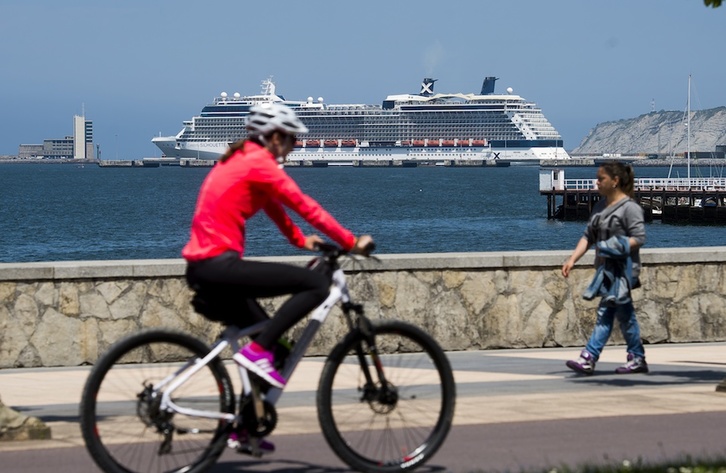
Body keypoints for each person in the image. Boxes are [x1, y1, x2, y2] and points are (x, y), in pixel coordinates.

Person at [182, 102, 373, 454]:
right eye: (290, 139)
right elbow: (303, 204)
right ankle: (256, 352)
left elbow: (272, 204)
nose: (294, 146)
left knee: (279, 346)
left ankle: (245, 427)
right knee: (316, 285)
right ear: (272, 137)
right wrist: (350, 241)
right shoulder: (258, 162)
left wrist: (299, 240)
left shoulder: (243, 159)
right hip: (217, 265)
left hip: (207, 267)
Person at [562, 161, 648, 375]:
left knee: (607, 313)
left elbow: (639, 238)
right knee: (621, 315)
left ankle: (589, 356)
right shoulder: (600, 206)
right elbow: (588, 236)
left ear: (615, 181)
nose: (597, 182)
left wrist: (615, 246)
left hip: (623, 271)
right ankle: (636, 357)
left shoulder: (630, 208)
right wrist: (572, 259)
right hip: (605, 271)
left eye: (601, 178)